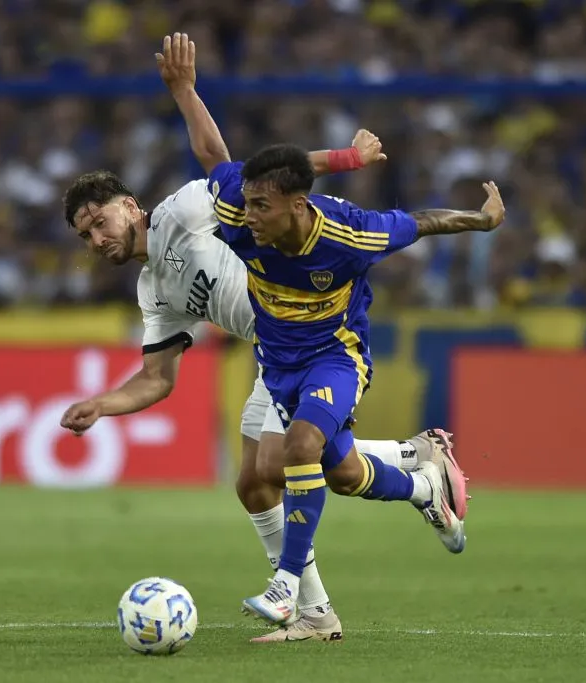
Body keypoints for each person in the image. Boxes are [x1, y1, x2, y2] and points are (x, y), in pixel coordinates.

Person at [59, 33, 457, 643]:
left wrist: (344, 159)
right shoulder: (153, 288)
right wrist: (101, 404)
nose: (97, 238)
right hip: (276, 357)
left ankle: (315, 586)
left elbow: (251, 172)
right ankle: (414, 481)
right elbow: (158, 379)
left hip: (315, 336)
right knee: (273, 482)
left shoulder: (180, 212)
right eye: (85, 235)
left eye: (100, 221)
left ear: (131, 206)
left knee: (279, 462)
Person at [175, 50, 506, 624]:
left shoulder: (349, 234)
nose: (248, 216)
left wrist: (481, 220)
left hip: (336, 356)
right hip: (278, 363)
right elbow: (214, 156)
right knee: (344, 474)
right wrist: (184, 89)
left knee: (298, 448)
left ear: (298, 207)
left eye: (262, 207)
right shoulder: (238, 208)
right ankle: (423, 487)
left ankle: (287, 589)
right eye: (247, 203)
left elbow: (422, 222)